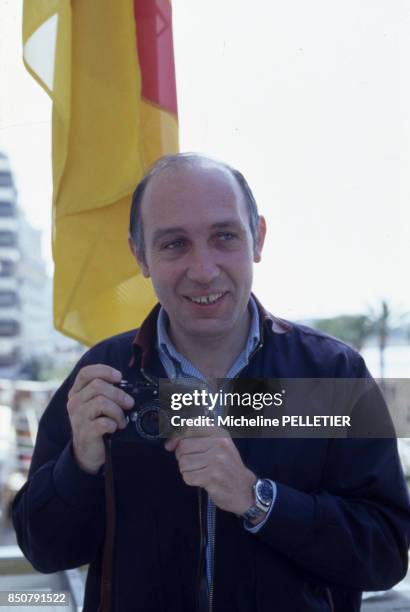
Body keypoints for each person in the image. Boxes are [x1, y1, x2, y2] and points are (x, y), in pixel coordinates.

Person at [12, 153, 410, 612]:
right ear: (140, 255)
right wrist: (79, 465)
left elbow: (384, 553)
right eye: (174, 244)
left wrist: (257, 500)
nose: (203, 269)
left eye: (224, 236)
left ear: (257, 238)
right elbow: (44, 551)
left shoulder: (329, 374)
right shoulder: (105, 376)